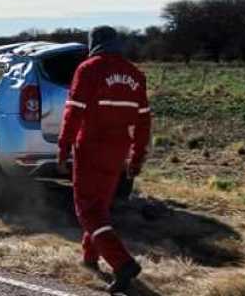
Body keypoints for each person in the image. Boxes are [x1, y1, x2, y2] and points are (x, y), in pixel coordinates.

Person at [57, 26, 152, 293]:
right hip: (117, 151)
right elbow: (144, 120)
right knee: (99, 206)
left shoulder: (88, 69)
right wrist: (137, 156)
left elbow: (72, 114)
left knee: (86, 210)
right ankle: (90, 256)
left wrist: (63, 149)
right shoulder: (135, 74)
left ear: (94, 43)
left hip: (90, 148)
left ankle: (122, 264)